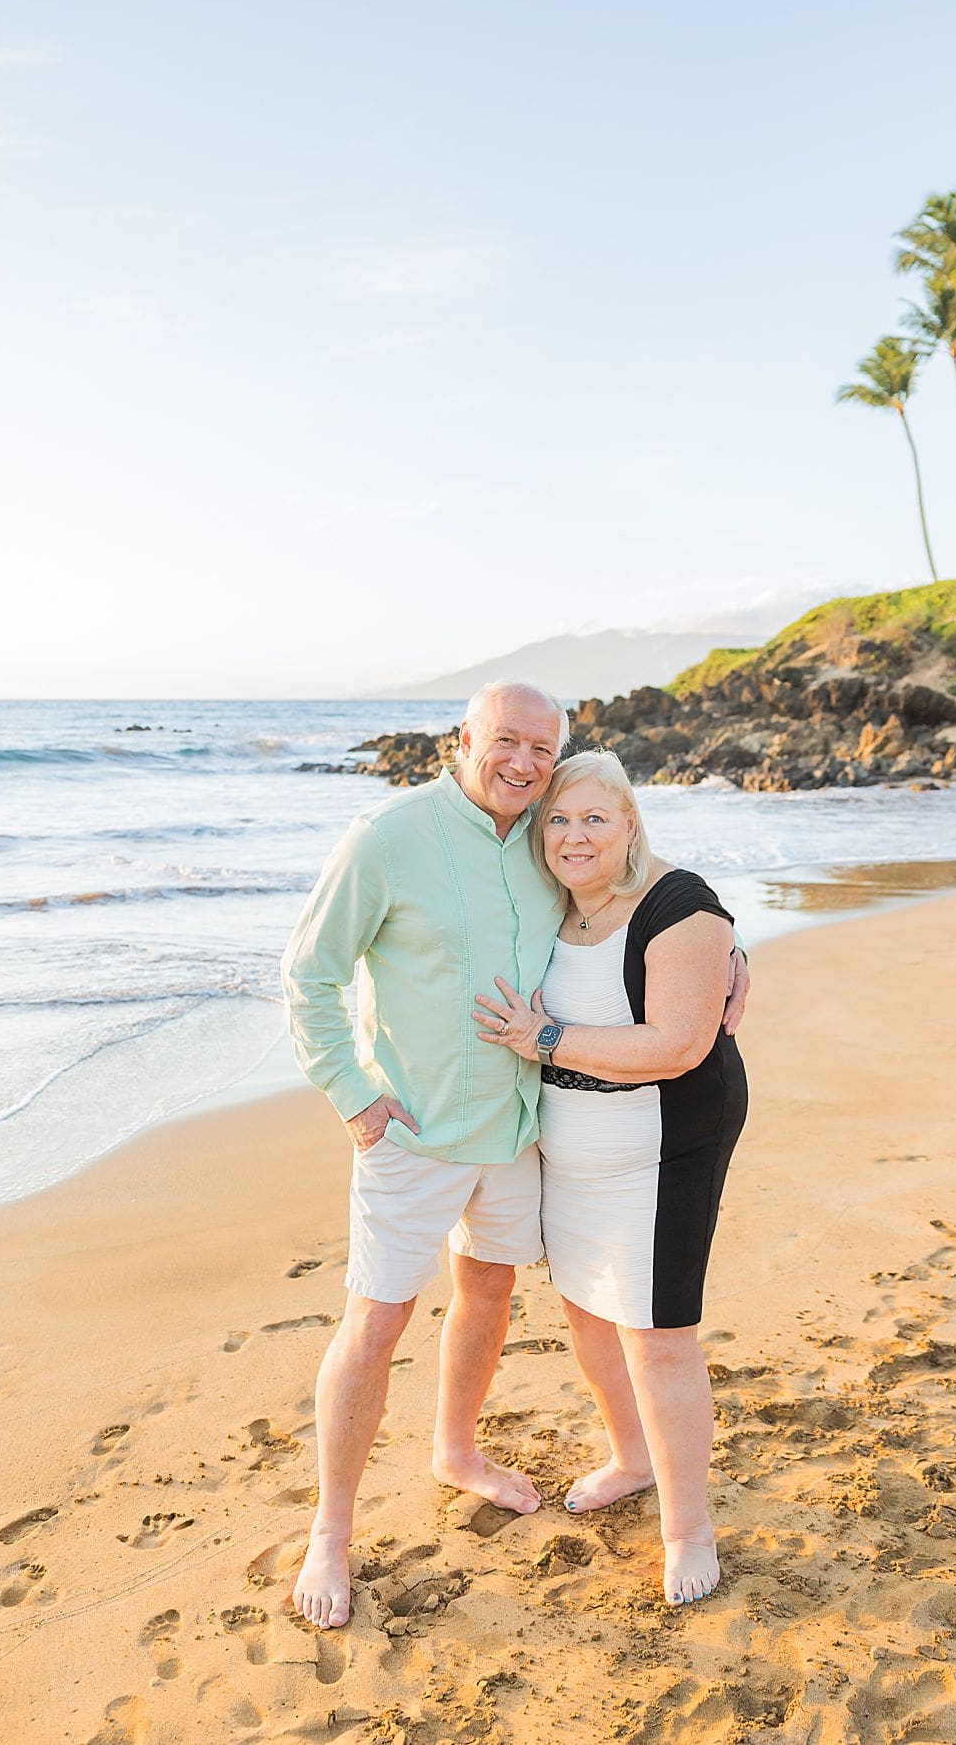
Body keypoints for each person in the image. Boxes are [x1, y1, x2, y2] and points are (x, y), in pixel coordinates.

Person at [280, 684, 750, 1630]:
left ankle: (455, 1449)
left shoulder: (545, 831)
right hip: (411, 1131)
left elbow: (636, 872)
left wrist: (730, 951)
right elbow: (310, 973)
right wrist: (353, 1096)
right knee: (375, 1324)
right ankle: (330, 1531)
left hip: (522, 1130)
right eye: (507, 741)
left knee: (491, 1293)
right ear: (465, 740)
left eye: (542, 746)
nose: (526, 762)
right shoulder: (388, 836)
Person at [472, 748, 748, 1607]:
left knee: (658, 1335)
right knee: (589, 1312)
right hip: (574, 1143)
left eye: (595, 816)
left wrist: (542, 1039)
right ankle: (633, 1458)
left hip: (663, 1144)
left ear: (630, 822)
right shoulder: (547, 902)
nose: (575, 834)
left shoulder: (677, 903)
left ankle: (688, 1527)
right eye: (558, 818)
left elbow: (676, 1043)